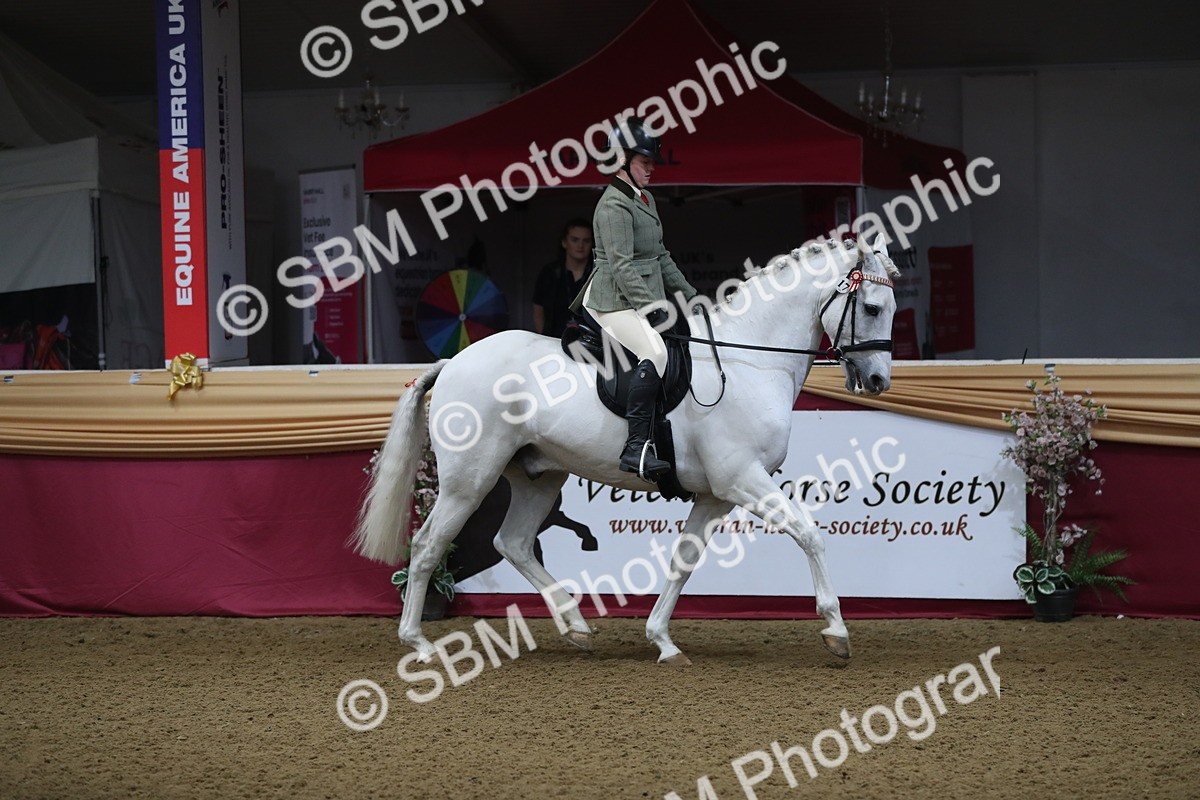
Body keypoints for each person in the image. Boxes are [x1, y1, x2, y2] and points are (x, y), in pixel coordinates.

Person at [571, 117, 698, 480]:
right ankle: (635, 448)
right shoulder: (613, 206)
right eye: (645, 162)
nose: (652, 168)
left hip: (639, 294)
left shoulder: (645, 199)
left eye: (652, 162)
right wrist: (652, 310)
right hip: (612, 299)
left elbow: (661, 256)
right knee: (655, 351)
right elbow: (623, 267)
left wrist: (691, 297)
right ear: (622, 161)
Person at [532, 219, 593, 337]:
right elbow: (538, 309)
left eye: (586, 241)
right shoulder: (550, 273)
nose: (580, 245)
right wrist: (543, 338)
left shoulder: (597, 274)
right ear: (564, 242)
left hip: (589, 342)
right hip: (554, 340)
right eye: (575, 240)